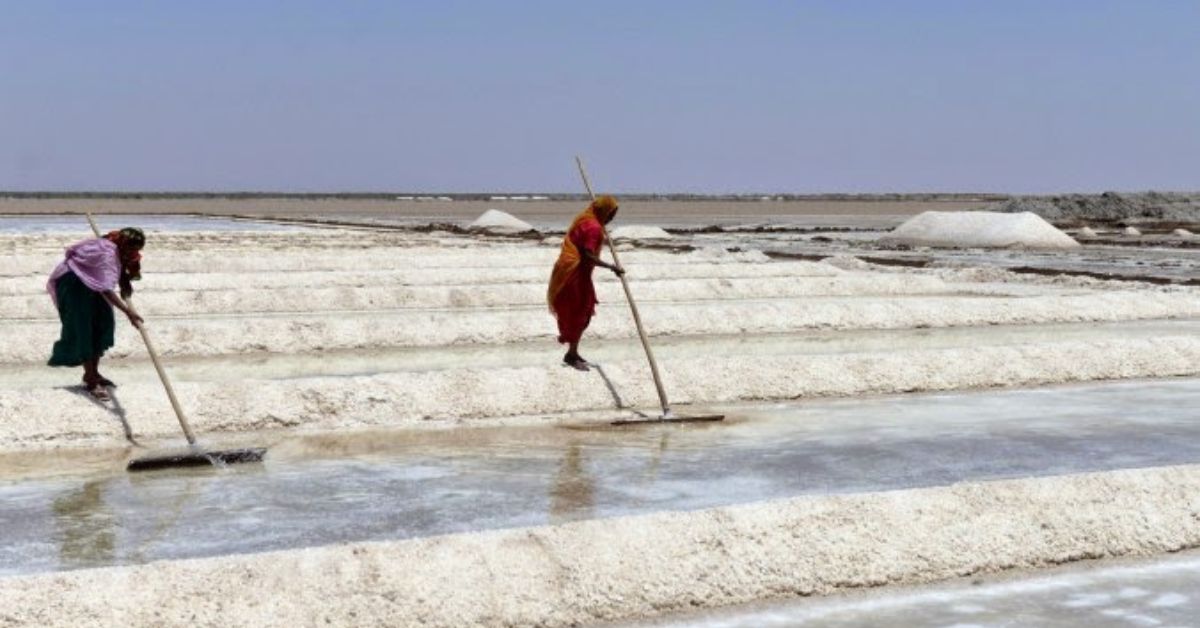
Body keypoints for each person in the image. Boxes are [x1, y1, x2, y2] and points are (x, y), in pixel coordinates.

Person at [47, 227, 146, 400]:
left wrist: (124, 282)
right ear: (123, 244)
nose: (134, 253)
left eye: (137, 249)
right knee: (84, 328)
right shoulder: (107, 253)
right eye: (131, 249)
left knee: (103, 324)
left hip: (93, 283)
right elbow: (106, 288)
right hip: (73, 284)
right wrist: (128, 312)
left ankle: (93, 373)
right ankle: (91, 381)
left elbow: (119, 269)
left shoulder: (120, 250)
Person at [547, 195, 624, 370]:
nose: (612, 218)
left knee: (584, 312)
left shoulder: (587, 220)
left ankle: (573, 352)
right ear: (603, 210)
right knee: (579, 313)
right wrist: (612, 267)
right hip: (574, 275)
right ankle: (571, 355)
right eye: (611, 213)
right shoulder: (593, 227)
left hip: (573, 272)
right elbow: (588, 255)